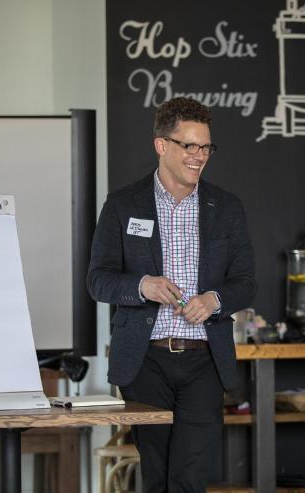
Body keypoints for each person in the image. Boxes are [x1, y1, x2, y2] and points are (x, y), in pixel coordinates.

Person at [87, 97, 256, 492]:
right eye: (189, 146)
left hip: (204, 361)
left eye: (206, 147)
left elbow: (246, 281)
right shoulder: (122, 205)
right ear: (162, 145)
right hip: (145, 361)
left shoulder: (227, 208)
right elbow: (98, 280)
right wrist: (142, 285)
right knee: (158, 476)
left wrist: (213, 300)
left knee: (191, 477)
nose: (199, 156)